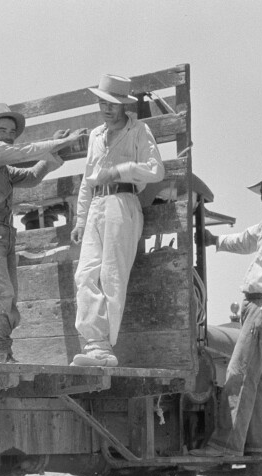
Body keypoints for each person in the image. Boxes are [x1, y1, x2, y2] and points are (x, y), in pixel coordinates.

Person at [191, 160, 262, 458]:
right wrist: (215, 240)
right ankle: (258, 445)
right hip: (255, 306)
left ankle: (223, 446)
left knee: (239, 373)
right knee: (256, 380)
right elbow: (246, 240)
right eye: (261, 191)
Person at [0, 103, 87, 363]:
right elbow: (25, 151)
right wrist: (62, 142)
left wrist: (54, 150)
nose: (8, 134)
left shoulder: (3, 167)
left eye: (12, 130)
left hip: (1, 233)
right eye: (2, 129)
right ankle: (4, 351)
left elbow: (32, 176)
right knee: (2, 293)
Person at [70, 74, 165, 367]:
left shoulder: (138, 131)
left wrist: (120, 171)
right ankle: (94, 344)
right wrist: (80, 217)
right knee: (84, 274)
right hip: (97, 205)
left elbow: (155, 170)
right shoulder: (96, 135)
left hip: (122, 203)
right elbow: (87, 180)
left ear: (124, 104)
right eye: (102, 102)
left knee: (111, 276)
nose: (106, 108)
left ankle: (104, 349)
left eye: (112, 103)